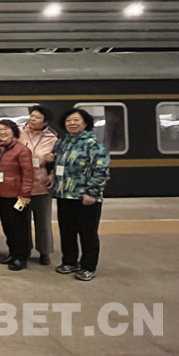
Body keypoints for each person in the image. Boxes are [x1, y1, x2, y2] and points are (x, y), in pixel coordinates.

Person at [51, 109, 110, 281]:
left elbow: (101, 171)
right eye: (69, 120)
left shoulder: (93, 144)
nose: (72, 123)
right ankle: (70, 262)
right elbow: (56, 162)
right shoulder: (62, 142)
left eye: (76, 120)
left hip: (85, 197)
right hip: (64, 195)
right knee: (67, 231)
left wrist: (92, 192)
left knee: (87, 233)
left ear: (85, 123)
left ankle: (88, 267)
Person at [18, 105, 58, 265]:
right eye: (32, 116)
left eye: (37, 117)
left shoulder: (52, 138)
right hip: (20, 186)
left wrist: (52, 175)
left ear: (45, 122)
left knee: (43, 221)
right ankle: (24, 249)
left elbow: (57, 161)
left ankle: (44, 252)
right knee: (21, 220)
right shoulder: (18, 133)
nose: (32, 119)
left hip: (42, 185)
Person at [0, 120, 34, 271]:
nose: (2, 132)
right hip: (1, 194)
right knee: (8, 226)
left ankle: (21, 257)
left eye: (6, 129)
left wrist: (24, 195)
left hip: (17, 196)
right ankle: (12, 253)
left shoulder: (22, 150)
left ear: (14, 131)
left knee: (19, 227)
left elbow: (28, 174)